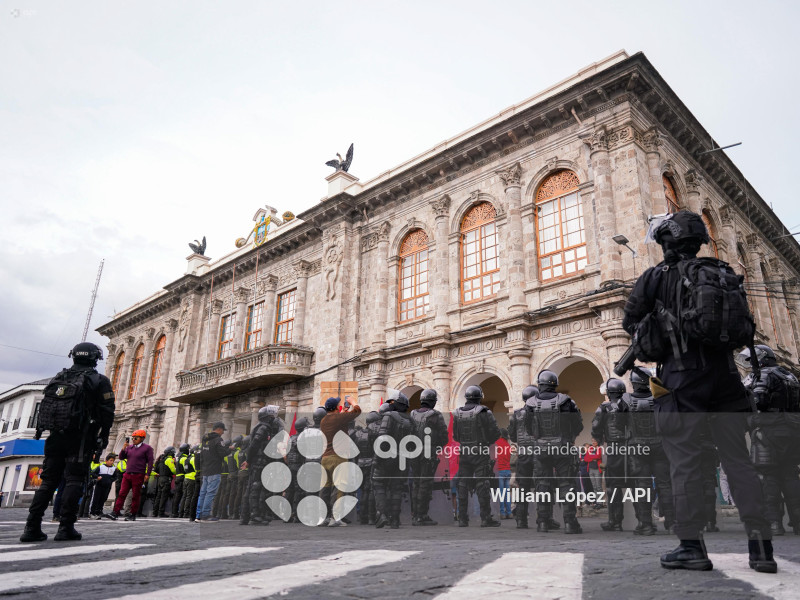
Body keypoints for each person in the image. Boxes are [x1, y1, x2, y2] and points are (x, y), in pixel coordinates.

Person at [623, 209, 775, 572]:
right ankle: (761, 547)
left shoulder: (657, 277)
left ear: (667, 243)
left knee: (685, 461)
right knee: (739, 460)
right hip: (726, 377)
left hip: (681, 378)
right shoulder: (721, 273)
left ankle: (691, 546)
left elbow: (631, 321)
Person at [20, 342, 116, 542]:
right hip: (80, 438)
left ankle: (31, 527)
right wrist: (103, 435)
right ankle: (66, 527)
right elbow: (107, 412)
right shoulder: (98, 380)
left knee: (48, 481)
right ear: (94, 358)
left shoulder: (59, 378)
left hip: (54, 436)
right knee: (74, 480)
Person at [737, 344, 800, 536]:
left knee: (767, 476)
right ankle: (798, 522)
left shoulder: (763, 375)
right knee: (790, 475)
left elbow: (758, 400)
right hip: (792, 429)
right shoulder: (790, 376)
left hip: (768, 429)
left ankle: (773, 522)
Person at [526, 370, 584, 534]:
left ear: (540, 384)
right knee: (567, 484)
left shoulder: (530, 403)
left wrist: (538, 437)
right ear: (555, 384)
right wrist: (570, 437)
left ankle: (543, 522)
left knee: (542, 485)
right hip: (562, 446)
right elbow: (578, 423)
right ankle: (570, 523)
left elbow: (527, 426)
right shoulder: (566, 401)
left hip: (541, 448)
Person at [625, 368, 674, 535]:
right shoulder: (659, 398)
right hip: (660, 444)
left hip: (637, 446)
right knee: (665, 484)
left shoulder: (626, 400)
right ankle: (672, 523)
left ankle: (645, 524)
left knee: (642, 486)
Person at [453, 385, 502, 528]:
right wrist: (487, 442)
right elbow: (495, 432)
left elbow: (456, 436)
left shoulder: (457, 413)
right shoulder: (484, 411)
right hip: (480, 452)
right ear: (480, 397)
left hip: (464, 452)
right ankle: (485, 518)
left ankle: (462, 518)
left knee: (462, 484)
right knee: (482, 484)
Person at [591, 378, 630, 532]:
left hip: (614, 448)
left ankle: (615, 521)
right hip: (633, 447)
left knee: (613, 487)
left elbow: (595, 428)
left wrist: (600, 440)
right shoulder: (631, 404)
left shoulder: (604, 408)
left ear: (608, 393)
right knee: (638, 483)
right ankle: (643, 521)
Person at [409, 389, 448, 526]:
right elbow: (444, 436)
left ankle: (415, 515)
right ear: (433, 401)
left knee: (416, 484)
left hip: (414, 453)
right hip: (428, 453)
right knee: (425, 484)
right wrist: (436, 448)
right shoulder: (436, 415)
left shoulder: (412, 414)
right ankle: (422, 515)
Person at [320, 397, 361, 526]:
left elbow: (340, 418)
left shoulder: (324, 420)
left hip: (325, 458)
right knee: (338, 487)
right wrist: (353, 402)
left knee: (325, 488)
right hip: (338, 458)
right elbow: (357, 411)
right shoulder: (338, 418)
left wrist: (343, 410)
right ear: (336, 408)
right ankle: (335, 517)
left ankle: (323, 517)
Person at [373, 394, 412, 529]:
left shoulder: (389, 416)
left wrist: (378, 458)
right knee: (397, 488)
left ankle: (382, 514)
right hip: (402, 459)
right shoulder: (410, 419)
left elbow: (382, 438)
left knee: (379, 484)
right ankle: (395, 519)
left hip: (386, 457)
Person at [245, 407, 285, 525]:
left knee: (260, 488)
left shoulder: (265, 428)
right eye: (272, 417)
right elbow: (254, 444)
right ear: (267, 417)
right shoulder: (263, 428)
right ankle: (254, 515)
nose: (274, 419)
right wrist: (248, 460)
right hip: (258, 462)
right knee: (256, 488)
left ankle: (258, 514)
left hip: (262, 461)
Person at [112, 430, 154, 521]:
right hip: (127, 474)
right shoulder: (129, 447)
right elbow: (121, 457)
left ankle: (133, 513)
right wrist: (123, 449)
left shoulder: (147, 448)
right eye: (133, 438)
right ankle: (115, 512)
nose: (133, 439)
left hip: (138, 474)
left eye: (136, 438)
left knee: (135, 495)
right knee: (122, 494)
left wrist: (147, 474)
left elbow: (150, 462)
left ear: (142, 438)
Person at [196, 422, 229, 522]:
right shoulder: (218, 439)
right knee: (210, 493)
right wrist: (229, 449)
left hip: (205, 470)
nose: (223, 433)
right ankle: (205, 514)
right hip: (214, 470)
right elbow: (222, 453)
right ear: (219, 429)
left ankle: (199, 514)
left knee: (203, 493)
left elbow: (202, 455)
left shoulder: (205, 439)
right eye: (223, 430)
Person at [89, 454, 118, 518]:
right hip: (99, 485)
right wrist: (97, 477)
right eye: (110, 460)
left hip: (107, 486)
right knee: (96, 498)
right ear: (106, 461)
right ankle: (92, 512)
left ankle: (99, 511)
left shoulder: (113, 469)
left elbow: (115, 477)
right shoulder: (101, 467)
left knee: (103, 498)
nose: (112, 462)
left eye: (113, 461)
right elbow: (93, 473)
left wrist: (110, 480)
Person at [152, 446, 176, 517]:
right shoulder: (169, 460)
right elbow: (173, 471)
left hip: (160, 479)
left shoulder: (161, 459)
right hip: (166, 479)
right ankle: (161, 512)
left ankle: (155, 512)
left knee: (158, 496)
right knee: (163, 496)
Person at [494, 429, 513, 520]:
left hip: (500, 470)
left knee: (501, 493)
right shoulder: (508, 445)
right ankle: (509, 512)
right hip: (508, 470)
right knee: (507, 493)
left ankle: (502, 513)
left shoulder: (497, 443)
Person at [171, 443, 190, 518]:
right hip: (182, 477)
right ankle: (179, 512)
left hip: (178, 477)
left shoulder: (178, 457)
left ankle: (174, 512)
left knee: (177, 496)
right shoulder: (184, 458)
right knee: (182, 496)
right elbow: (186, 469)